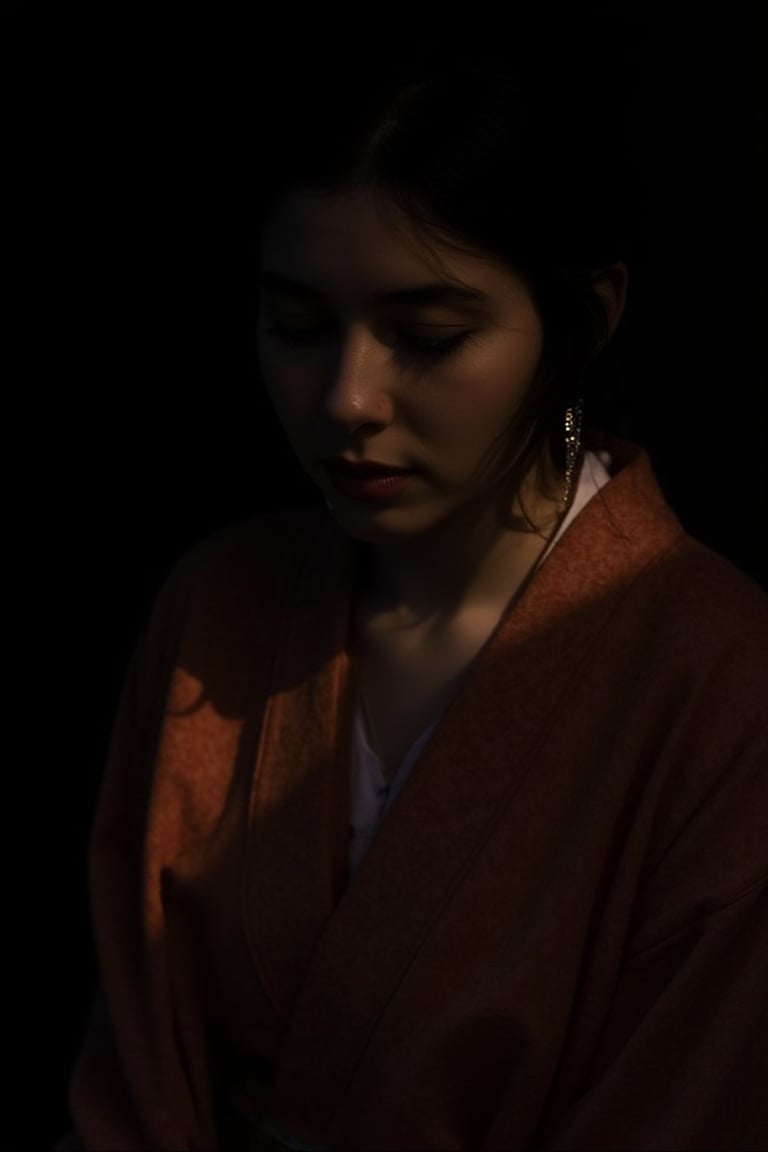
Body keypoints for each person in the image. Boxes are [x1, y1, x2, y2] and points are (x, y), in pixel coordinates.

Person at [57, 28, 768, 1152]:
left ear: (586, 312)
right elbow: (135, 1076)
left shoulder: (720, 678)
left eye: (426, 336)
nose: (346, 398)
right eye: (296, 326)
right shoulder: (222, 604)